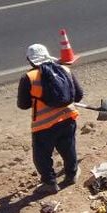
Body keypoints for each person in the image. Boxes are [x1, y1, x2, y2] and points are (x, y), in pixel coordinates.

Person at [17, 44, 83, 193]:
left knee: (42, 156)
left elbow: (23, 104)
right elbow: (78, 95)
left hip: (43, 126)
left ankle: (50, 183)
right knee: (68, 148)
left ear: (30, 60)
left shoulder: (28, 77)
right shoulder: (65, 70)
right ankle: (72, 174)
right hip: (68, 118)